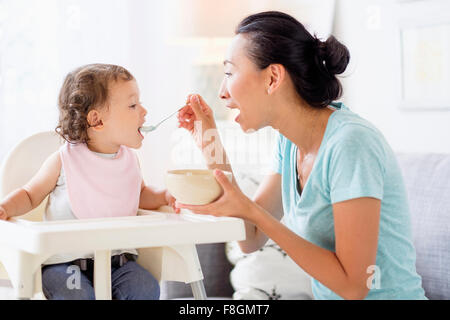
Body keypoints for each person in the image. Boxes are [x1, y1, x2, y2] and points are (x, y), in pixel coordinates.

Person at [176, 11, 426, 300]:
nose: (222, 92)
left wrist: (251, 209)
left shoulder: (351, 144)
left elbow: (354, 287)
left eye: (230, 73)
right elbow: (251, 237)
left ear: (272, 78)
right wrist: (208, 139)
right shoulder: (290, 143)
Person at [0, 63, 177, 300]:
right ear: (97, 120)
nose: (144, 112)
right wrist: (6, 208)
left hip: (118, 263)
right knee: (78, 295)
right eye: (133, 105)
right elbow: (30, 195)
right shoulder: (64, 159)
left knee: (145, 287)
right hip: (65, 263)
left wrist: (165, 196)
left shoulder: (130, 160)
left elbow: (140, 194)